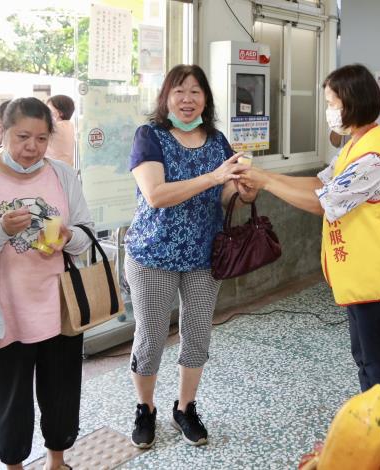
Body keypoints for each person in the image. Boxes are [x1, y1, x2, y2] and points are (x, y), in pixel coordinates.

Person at [238, 63, 380, 419]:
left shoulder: (373, 160)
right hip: (360, 279)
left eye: (331, 102)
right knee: (364, 359)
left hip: (377, 283)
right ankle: (374, 429)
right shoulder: (355, 146)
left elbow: (322, 203)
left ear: (351, 102)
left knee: (378, 369)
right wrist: (262, 175)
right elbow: (321, 185)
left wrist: (266, 183)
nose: (328, 111)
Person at [0, 97, 94, 470]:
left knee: (61, 393)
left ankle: (56, 461)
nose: (32, 147)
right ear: (3, 132)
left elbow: (86, 234)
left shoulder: (63, 175)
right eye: (22, 137)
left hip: (60, 308)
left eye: (41, 138)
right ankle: (14, 464)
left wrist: (69, 237)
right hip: (6, 312)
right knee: (10, 399)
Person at [124, 64, 256, 449]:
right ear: (166, 97)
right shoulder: (149, 136)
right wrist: (214, 178)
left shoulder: (217, 141)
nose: (187, 99)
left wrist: (242, 192)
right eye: (179, 91)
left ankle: (185, 407)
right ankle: (145, 408)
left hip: (204, 256)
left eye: (196, 91)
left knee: (197, 335)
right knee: (150, 338)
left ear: (206, 99)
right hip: (152, 255)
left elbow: (226, 193)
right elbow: (156, 195)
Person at [45, 95, 76, 167]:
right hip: (67, 169)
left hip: (55, 171)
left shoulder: (56, 127)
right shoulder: (70, 125)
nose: (47, 112)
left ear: (60, 113)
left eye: (49, 109)